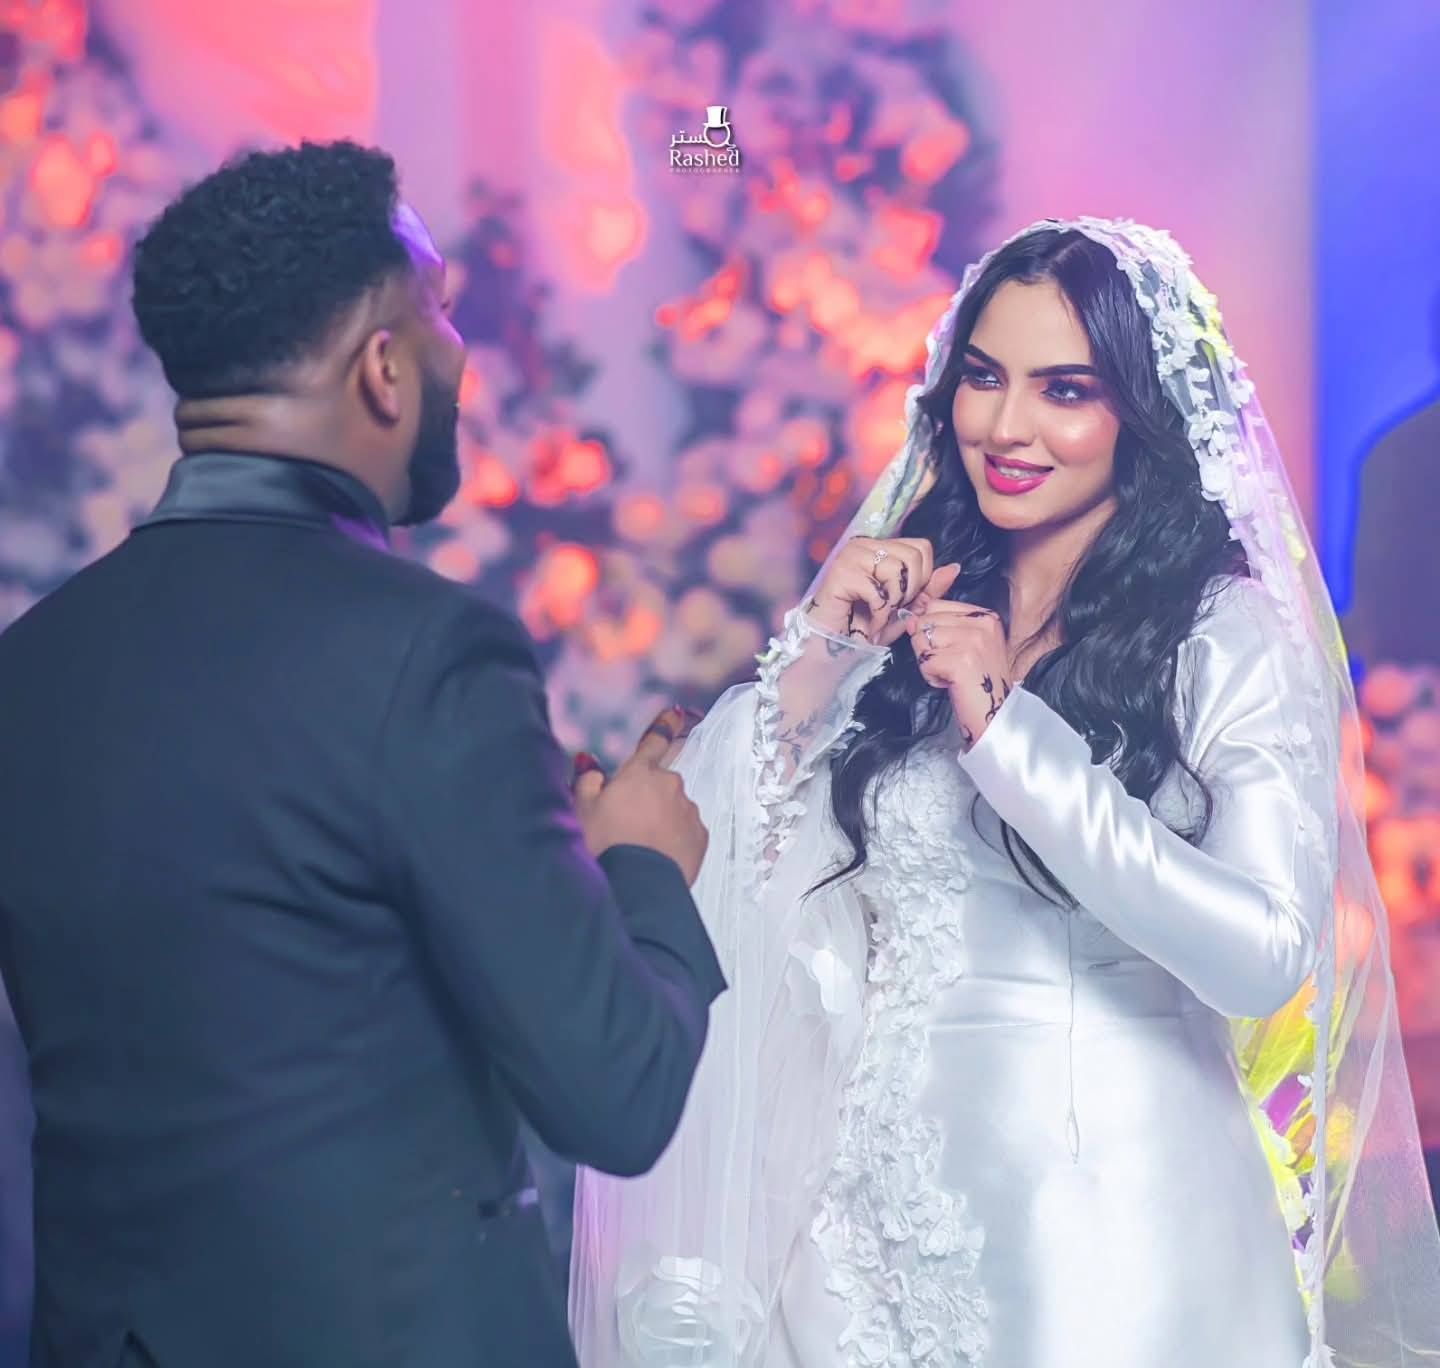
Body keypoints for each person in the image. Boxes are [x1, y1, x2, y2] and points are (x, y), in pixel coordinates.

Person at [570, 219, 1440, 1367]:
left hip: (1106, 1232)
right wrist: (820, 650)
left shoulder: (1220, 631)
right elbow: (731, 856)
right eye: (984, 377)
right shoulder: (914, 602)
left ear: (1141, 411)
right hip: (857, 1230)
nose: (1006, 426)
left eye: (1064, 389)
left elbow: (1266, 954)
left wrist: (1007, 730)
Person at [0, 140, 723, 1368]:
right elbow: (617, 1094)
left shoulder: (32, 666)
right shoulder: (428, 656)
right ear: (383, 366)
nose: (461, 352)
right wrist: (644, 868)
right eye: (440, 311)